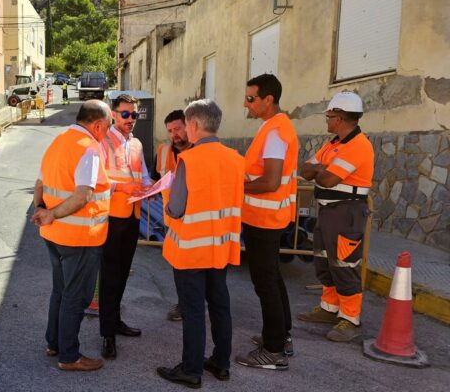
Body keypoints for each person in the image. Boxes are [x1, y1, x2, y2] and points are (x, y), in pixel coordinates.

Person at [156, 99, 244, 389]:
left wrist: (166, 194)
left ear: (193, 125)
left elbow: (176, 209)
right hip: (221, 247)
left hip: (191, 250)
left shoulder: (189, 161)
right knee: (220, 306)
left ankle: (191, 370)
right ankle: (221, 363)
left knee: (193, 310)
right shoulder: (235, 159)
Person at [31, 100, 113, 371]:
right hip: (79, 238)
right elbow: (83, 195)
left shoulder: (58, 141)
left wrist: (41, 209)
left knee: (61, 291)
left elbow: (40, 183)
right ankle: (69, 356)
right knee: (75, 296)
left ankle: (53, 343)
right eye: (108, 127)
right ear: (98, 124)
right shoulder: (89, 148)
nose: (107, 133)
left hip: (53, 235)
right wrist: (52, 214)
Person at [297, 91, 373, 342]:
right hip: (329, 210)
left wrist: (319, 169)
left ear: (339, 117)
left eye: (329, 116)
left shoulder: (358, 145)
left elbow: (328, 179)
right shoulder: (333, 144)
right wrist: (321, 168)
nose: (327, 120)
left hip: (347, 212)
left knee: (344, 264)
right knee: (325, 260)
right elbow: (305, 169)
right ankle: (330, 309)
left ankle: (350, 319)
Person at [235, 73, 299, 371]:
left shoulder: (275, 132)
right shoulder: (274, 128)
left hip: (264, 218)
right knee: (271, 278)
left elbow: (270, 181)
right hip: (267, 216)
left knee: (265, 283)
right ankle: (280, 335)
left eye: (251, 99)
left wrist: (236, 188)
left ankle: (273, 350)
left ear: (268, 100)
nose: (246, 104)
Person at [99, 93, 152, 360]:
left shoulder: (138, 144)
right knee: (109, 276)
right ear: (113, 114)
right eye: (126, 114)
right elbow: (96, 181)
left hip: (132, 217)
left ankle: (116, 320)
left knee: (121, 274)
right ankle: (107, 333)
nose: (131, 119)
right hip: (111, 217)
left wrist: (150, 187)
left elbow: (142, 174)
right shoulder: (102, 142)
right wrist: (123, 186)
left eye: (135, 114)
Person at [152, 109, 194, 322]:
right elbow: (154, 179)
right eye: (170, 131)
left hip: (198, 222)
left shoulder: (201, 151)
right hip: (173, 223)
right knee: (178, 266)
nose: (174, 134)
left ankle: (194, 304)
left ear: (189, 126)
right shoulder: (163, 151)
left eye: (178, 129)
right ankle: (183, 303)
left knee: (198, 270)